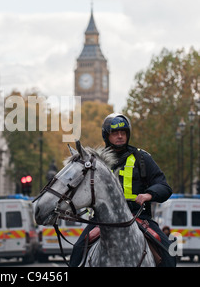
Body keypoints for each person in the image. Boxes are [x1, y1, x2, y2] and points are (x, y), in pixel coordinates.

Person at [69, 113, 176, 267]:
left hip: (139, 217)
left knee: (168, 252)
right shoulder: (96, 162)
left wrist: (148, 194)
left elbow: (164, 187)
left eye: (123, 133)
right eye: (115, 133)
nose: (120, 136)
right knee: (77, 250)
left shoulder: (142, 158)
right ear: (107, 136)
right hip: (102, 220)